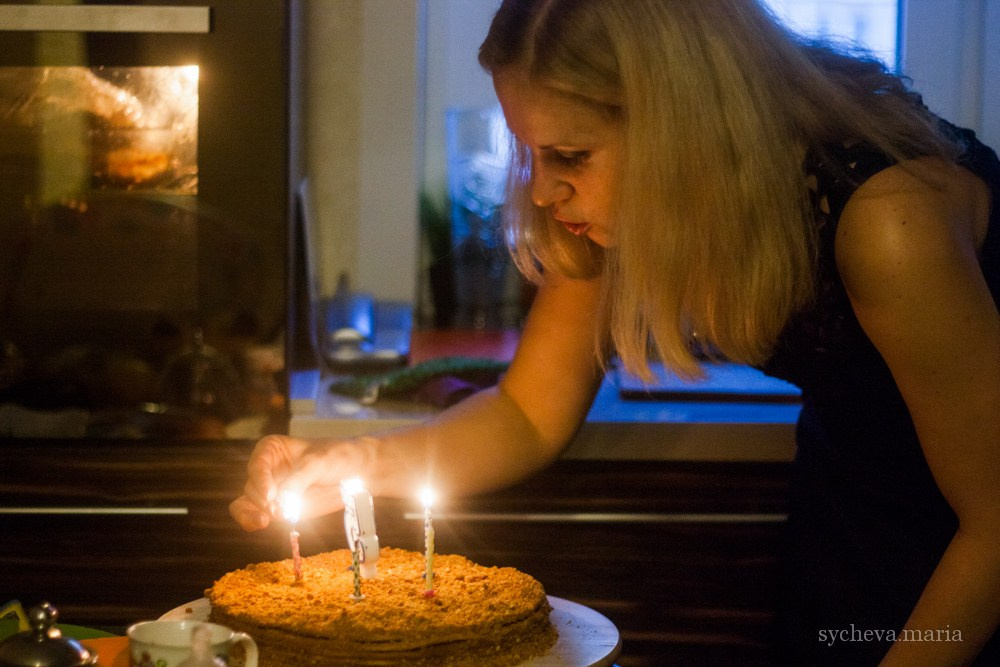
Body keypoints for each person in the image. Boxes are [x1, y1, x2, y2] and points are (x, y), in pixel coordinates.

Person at [231, 1, 999, 664]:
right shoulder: (614, 211)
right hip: (845, 514)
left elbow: (995, 521)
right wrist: (351, 461)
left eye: (570, 155)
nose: (542, 187)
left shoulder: (889, 223)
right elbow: (526, 412)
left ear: (686, 125)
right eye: (530, 152)